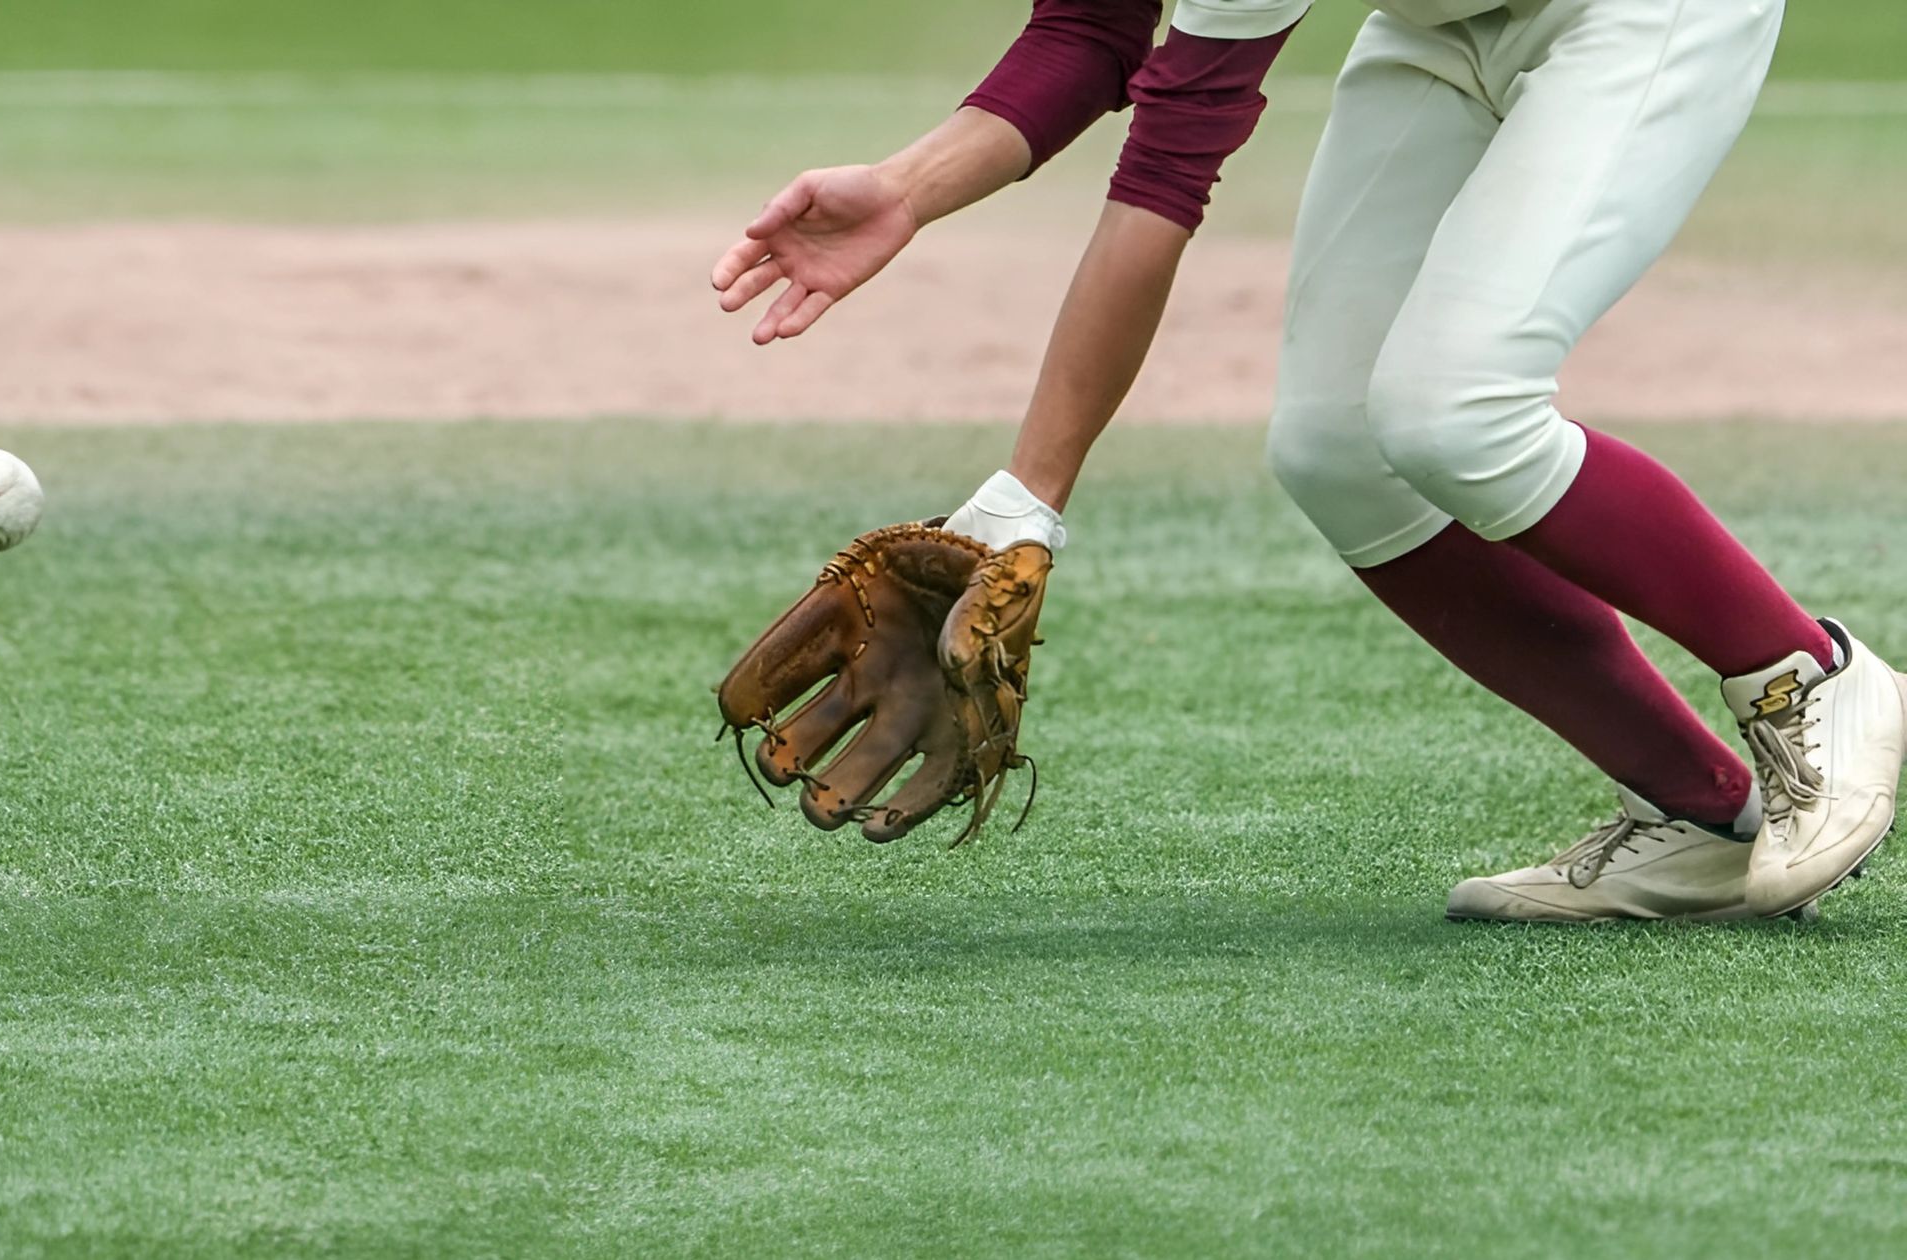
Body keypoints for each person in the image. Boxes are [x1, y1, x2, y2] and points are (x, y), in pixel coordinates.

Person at [710, 0, 1907, 921]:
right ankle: (1701, 812)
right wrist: (907, 191)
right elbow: (1089, 29)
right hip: (1445, 28)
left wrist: (1030, 494)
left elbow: (1163, 178)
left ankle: (1809, 675)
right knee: (1337, 447)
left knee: (1456, 412)